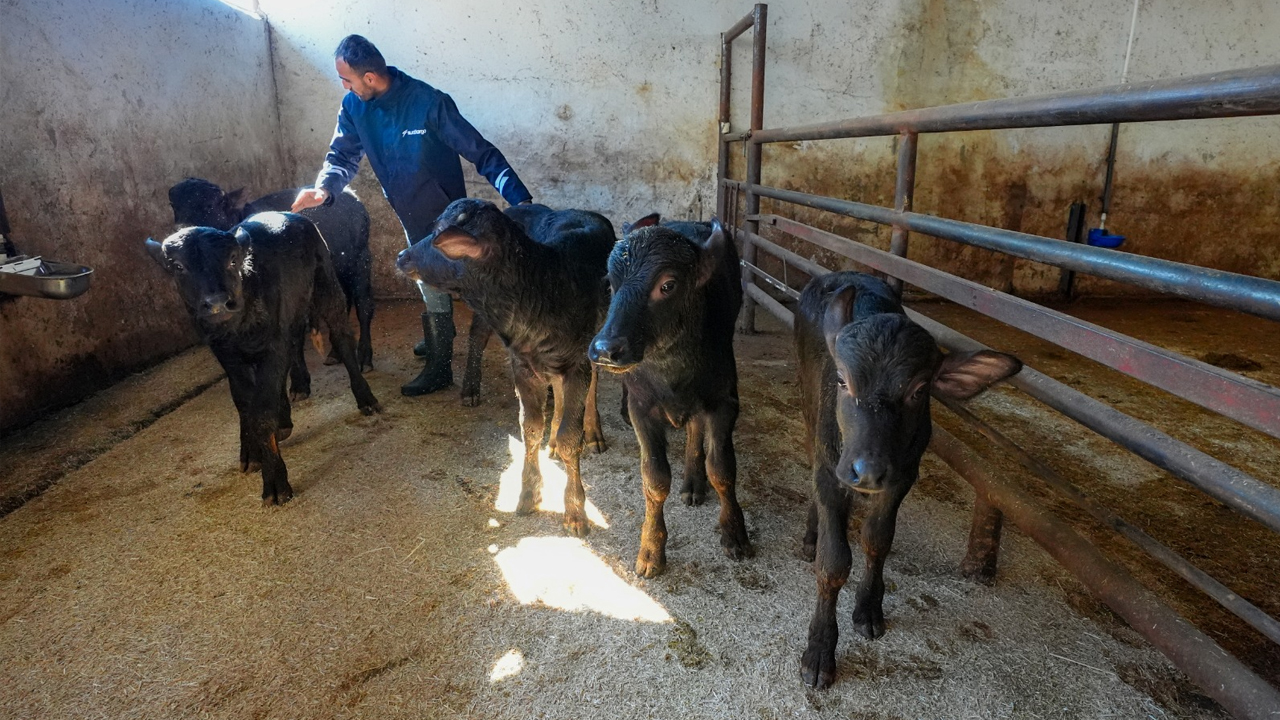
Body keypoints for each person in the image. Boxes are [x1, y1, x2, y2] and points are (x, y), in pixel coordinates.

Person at [293, 35, 533, 396]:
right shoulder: (354, 107)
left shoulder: (429, 103)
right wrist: (324, 188)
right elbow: (341, 156)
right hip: (406, 209)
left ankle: (441, 366)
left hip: (447, 218)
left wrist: (521, 201)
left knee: (460, 282)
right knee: (425, 281)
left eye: (347, 79)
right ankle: (440, 339)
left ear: (370, 78)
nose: (344, 86)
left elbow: (482, 153)